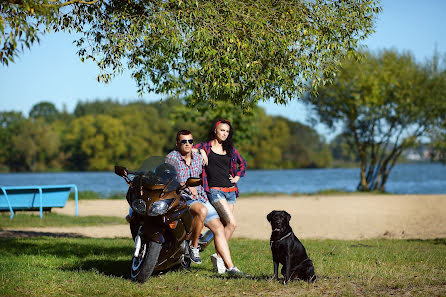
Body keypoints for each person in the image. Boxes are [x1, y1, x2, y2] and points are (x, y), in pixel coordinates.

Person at [165, 129, 248, 276]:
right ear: (177, 143)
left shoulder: (197, 158)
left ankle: (230, 268)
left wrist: (202, 153)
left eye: (190, 141)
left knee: (219, 228)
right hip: (183, 198)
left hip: (201, 197)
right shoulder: (172, 157)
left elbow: (214, 161)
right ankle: (194, 246)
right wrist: (184, 185)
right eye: (184, 141)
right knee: (202, 211)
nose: (188, 144)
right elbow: (167, 179)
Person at [193, 119, 247, 273]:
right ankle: (218, 255)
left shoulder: (230, 149)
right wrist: (202, 152)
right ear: (215, 130)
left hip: (231, 192)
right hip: (215, 191)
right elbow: (190, 149)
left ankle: (217, 255)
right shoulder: (205, 146)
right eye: (222, 130)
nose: (225, 133)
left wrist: (237, 177)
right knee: (232, 224)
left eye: (227, 131)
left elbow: (243, 164)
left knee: (225, 225)